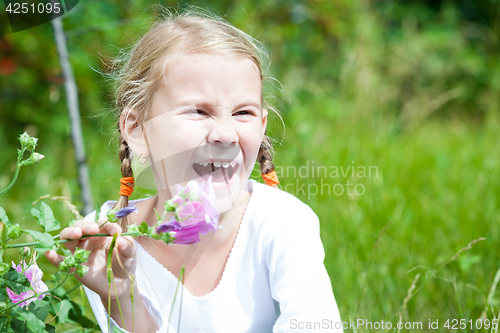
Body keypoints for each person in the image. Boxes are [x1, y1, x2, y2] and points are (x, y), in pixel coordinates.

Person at [45, 7, 343, 333]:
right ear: (137, 128)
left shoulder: (282, 225)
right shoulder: (109, 244)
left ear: (262, 126)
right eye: (199, 111)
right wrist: (120, 300)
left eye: (243, 112)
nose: (225, 134)